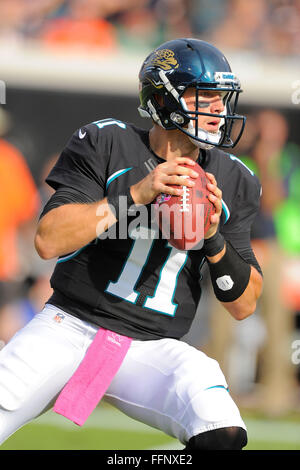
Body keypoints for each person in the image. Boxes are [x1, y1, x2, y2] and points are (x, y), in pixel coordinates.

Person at [0, 38, 263, 450]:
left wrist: (212, 236)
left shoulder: (233, 179)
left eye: (222, 99)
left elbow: (244, 305)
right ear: (163, 99)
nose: (218, 111)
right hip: (70, 327)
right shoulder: (107, 142)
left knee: (222, 432)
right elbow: (48, 241)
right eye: (204, 97)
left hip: (154, 348)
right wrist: (134, 196)